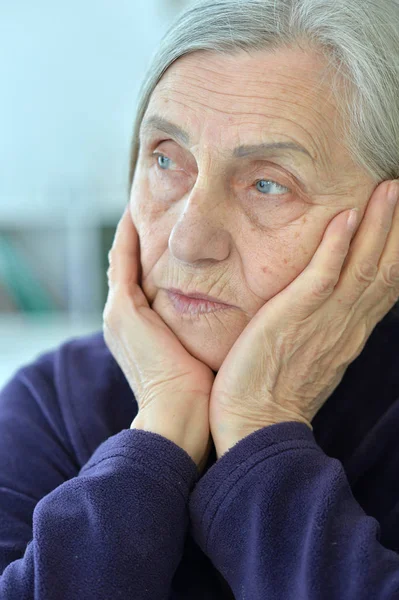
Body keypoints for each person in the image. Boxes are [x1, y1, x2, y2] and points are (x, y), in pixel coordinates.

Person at [1, 0, 399, 598]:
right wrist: (159, 431)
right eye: (165, 159)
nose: (188, 241)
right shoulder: (52, 403)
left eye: (268, 184)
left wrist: (260, 429)